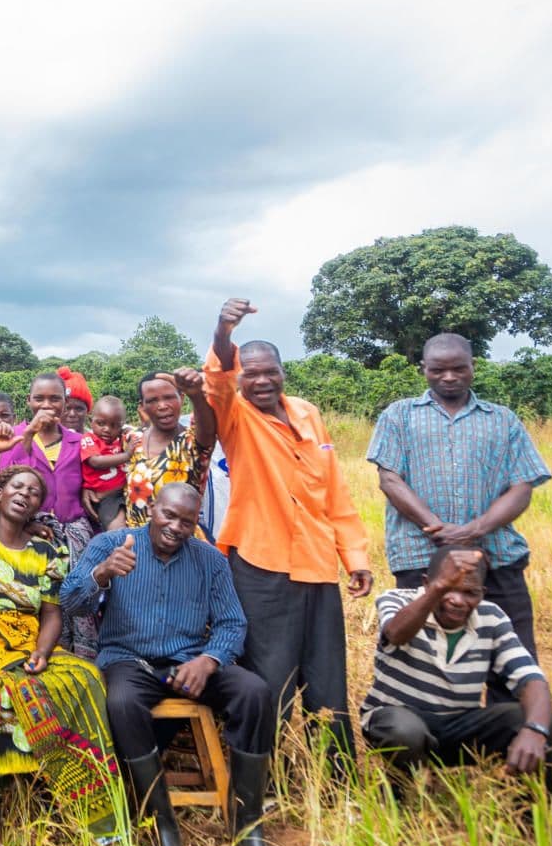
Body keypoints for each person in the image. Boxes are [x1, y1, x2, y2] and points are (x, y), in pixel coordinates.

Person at [65, 483, 285, 846]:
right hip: (130, 660)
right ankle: (163, 827)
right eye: (169, 516)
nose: (176, 527)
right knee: (122, 702)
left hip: (190, 661)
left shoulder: (208, 559)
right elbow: (70, 601)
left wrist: (210, 659)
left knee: (255, 692)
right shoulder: (113, 545)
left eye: (187, 521)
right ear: (150, 508)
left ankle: (248, 825)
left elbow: (231, 622)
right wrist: (101, 574)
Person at [0, 428, 124, 846]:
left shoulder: (49, 545)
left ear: (41, 505)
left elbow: (53, 613)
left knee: (83, 680)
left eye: (34, 491)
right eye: (16, 486)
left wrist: (43, 650)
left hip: (26, 641)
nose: (25, 493)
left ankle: (86, 810)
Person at [204, 298, 372, 775]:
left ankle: (337, 778)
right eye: (250, 373)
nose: (260, 381)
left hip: (317, 562)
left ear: (282, 371)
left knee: (327, 678)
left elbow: (334, 490)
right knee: (269, 678)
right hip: (260, 564)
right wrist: (223, 330)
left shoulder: (307, 413)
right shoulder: (234, 414)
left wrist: (354, 555)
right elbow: (216, 383)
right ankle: (263, 778)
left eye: (269, 371)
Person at [368, 333, 552, 681]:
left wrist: (475, 529)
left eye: (458, 368)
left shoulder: (503, 419)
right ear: (423, 369)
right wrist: (438, 529)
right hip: (420, 557)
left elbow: (523, 485)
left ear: (474, 367)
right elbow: (390, 479)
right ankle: (428, 729)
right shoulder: (399, 416)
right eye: (438, 369)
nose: (449, 377)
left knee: (512, 650)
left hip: (495, 556)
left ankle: (512, 725)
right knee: (420, 654)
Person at [360, 549, 552, 797]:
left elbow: (531, 680)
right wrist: (439, 588)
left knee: (544, 720)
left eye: (470, 593)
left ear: (481, 594)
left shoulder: (491, 617)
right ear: (426, 583)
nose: (457, 600)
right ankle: (400, 790)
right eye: (448, 589)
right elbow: (397, 633)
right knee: (404, 732)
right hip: (396, 720)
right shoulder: (397, 600)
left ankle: (531, 818)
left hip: (458, 726)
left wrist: (535, 730)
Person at [120, 370, 217, 530]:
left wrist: (197, 396)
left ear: (182, 398)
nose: (162, 406)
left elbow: (208, 431)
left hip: (181, 544)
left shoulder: (191, 441)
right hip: (136, 545)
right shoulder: (132, 439)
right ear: (142, 406)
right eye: (152, 400)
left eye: (169, 397)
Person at [0, 372, 88, 533]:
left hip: (72, 532)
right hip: (24, 531)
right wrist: (29, 433)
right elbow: (5, 481)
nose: (46, 405)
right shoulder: (11, 437)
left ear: (65, 402)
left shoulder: (79, 441)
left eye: (55, 399)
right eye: (39, 398)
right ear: (28, 400)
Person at [80, 395, 130, 530]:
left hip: (126, 492)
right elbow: (95, 461)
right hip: (105, 498)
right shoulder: (89, 439)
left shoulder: (121, 440)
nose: (107, 429)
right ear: (91, 421)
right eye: (101, 423)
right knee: (118, 530)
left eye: (114, 425)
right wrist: (127, 455)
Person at [58, 365, 93, 434]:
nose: (72, 414)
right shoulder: (43, 441)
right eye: (66, 408)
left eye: (79, 409)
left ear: (87, 411)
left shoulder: (97, 442)